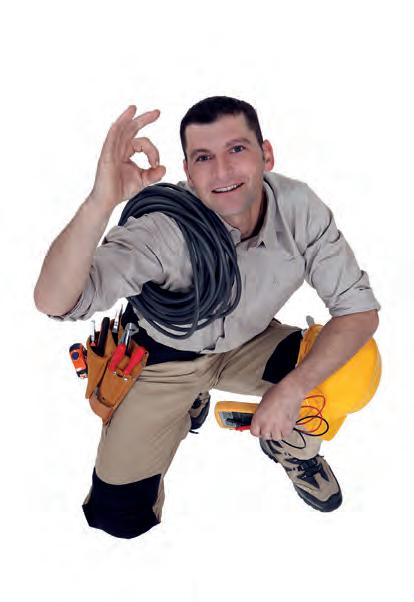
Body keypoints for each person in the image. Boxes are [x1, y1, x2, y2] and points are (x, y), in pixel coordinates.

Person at [34, 96, 380, 539]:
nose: (222, 171)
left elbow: (358, 311)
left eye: (237, 149)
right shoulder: (164, 230)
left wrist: (293, 388)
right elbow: (55, 301)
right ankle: (186, 402)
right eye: (203, 157)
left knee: (356, 366)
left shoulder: (298, 207)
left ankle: (291, 445)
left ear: (266, 154)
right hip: (164, 359)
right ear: (188, 171)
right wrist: (99, 203)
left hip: (247, 343)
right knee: (119, 518)